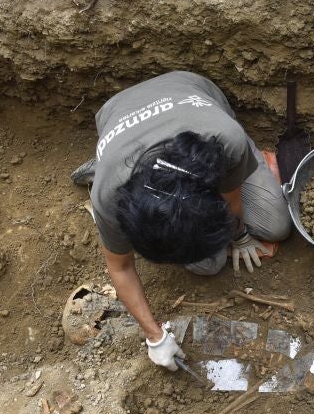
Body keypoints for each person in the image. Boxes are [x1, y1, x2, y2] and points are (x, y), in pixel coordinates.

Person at [71, 71, 291, 372]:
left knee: (277, 225)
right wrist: (154, 337)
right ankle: (101, 162)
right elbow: (120, 267)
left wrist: (238, 235)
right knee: (207, 265)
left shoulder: (223, 142)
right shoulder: (110, 196)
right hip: (119, 117)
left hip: (192, 101)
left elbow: (232, 202)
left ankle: (249, 158)